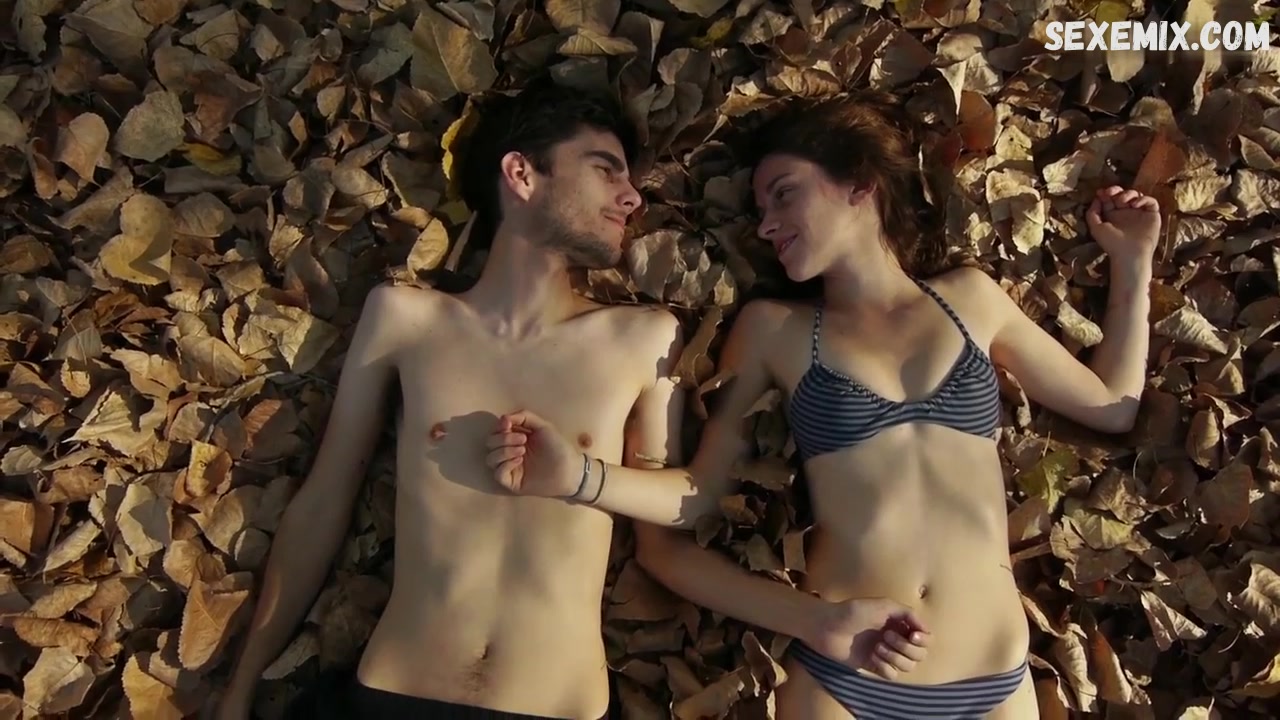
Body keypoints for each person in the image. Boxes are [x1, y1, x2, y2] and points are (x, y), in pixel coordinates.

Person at [481, 90, 1160, 720]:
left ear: (860, 183)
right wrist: (581, 477)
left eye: (783, 195)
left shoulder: (971, 301)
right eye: (760, 210)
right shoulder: (773, 331)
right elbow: (687, 513)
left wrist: (1133, 264)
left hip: (995, 679)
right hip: (848, 680)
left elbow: (1112, 405)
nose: (767, 225)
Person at [214, 78, 688, 720]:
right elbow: (324, 501)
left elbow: (678, 506)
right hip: (395, 699)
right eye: (606, 170)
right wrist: (240, 688)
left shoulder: (643, 338)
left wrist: (582, 475)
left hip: (555, 707)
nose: (632, 197)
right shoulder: (408, 320)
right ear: (522, 174)